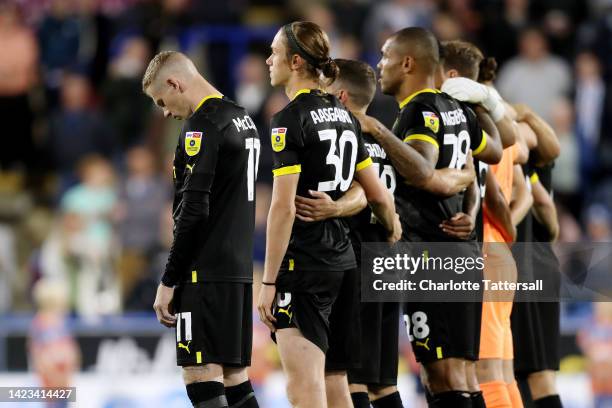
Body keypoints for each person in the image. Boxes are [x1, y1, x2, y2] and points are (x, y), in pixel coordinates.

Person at [296, 57, 481, 408]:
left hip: (356, 263)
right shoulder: (393, 142)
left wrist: (335, 208)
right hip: (390, 263)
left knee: (351, 380)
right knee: (382, 383)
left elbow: (367, 193)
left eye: (325, 89)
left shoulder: (344, 140)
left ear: (342, 96)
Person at [257, 21, 401, 408]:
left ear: (296, 61)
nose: (268, 60)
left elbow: (284, 207)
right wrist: (391, 232)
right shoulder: (347, 118)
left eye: (274, 52)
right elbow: (380, 197)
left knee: (304, 390)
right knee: (336, 382)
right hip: (344, 264)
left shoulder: (288, 119)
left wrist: (268, 282)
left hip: (304, 265)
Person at [354, 27, 487, 408]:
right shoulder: (457, 108)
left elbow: (422, 171)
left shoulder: (419, 109)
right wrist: (469, 209)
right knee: (463, 373)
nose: (379, 65)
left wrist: (376, 128)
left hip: (430, 252)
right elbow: (484, 157)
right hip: (462, 251)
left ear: (407, 62)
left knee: (441, 374)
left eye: (385, 56)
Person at [143, 51, 260, 408]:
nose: (164, 111)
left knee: (200, 372)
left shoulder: (202, 126)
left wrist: (169, 280)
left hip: (205, 273)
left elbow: (194, 211)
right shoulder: (242, 119)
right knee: (234, 375)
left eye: (162, 100)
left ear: (176, 83)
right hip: (238, 271)